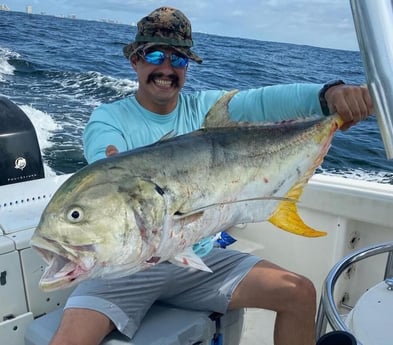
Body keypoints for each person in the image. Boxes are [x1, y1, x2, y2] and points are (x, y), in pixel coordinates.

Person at [50, 7, 373, 345]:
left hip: (198, 260)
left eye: (179, 60)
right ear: (135, 61)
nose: (166, 68)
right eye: (155, 55)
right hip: (124, 269)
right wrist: (107, 168)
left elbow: (266, 102)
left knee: (299, 292)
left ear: (188, 67)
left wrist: (329, 97)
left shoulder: (206, 111)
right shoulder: (109, 119)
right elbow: (104, 160)